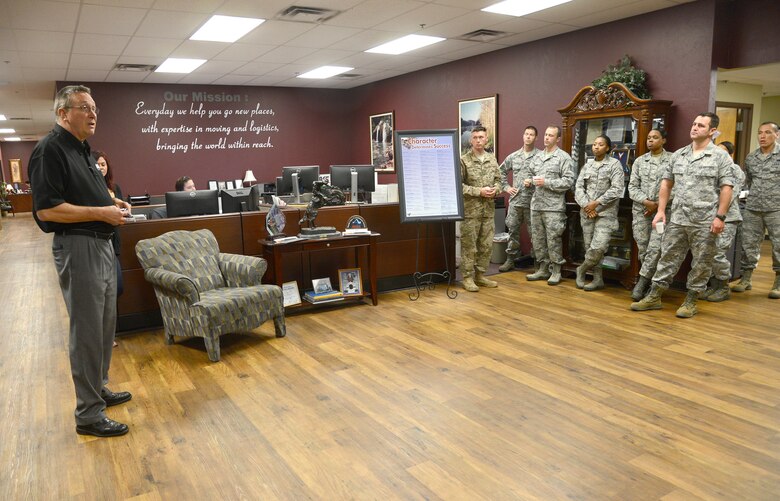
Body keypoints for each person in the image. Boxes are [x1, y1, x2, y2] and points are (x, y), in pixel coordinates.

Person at [28, 85, 133, 437]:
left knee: (104, 326)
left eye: (95, 108)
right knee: (87, 330)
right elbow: (46, 208)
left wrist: (111, 204)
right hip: (78, 247)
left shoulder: (84, 150)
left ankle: (99, 387)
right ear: (62, 113)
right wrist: (100, 211)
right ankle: (88, 414)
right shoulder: (49, 150)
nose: (93, 114)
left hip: (101, 244)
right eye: (84, 108)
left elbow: (89, 195)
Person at [631, 112, 735, 318]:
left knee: (702, 262)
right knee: (667, 258)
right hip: (678, 218)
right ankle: (654, 296)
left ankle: (691, 300)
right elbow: (666, 183)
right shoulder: (679, 155)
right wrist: (661, 211)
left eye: (701, 126)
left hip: (704, 220)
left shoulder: (720, 156)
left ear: (712, 131)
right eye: (694, 123)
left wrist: (720, 217)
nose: (695, 128)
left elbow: (727, 187)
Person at [731, 121, 780, 299]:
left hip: (777, 208)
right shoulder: (751, 157)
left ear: (777, 135)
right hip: (753, 207)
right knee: (748, 243)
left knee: (778, 246)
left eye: (767, 132)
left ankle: (778, 282)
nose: (762, 136)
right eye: (760, 132)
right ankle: (746, 278)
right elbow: (749, 181)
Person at [574, 135, 625, 291]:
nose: (596, 147)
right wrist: (586, 206)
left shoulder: (615, 164)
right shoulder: (587, 166)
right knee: (589, 247)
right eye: (594, 144)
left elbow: (617, 189)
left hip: (606, 214)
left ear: (608, 148)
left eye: (600, 144)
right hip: (587, 213)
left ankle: (581, 269)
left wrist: (596, 203)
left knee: (598, 247)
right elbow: (578, 188)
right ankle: (597, 279)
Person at [525, 125, 575, 285]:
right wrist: (529, 181)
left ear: (558, 139)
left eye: (551, 135)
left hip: (553, 207)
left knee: (553, 239)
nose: (547, 138)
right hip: (537, 204)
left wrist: (547, 182)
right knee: (538, 239)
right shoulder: (537, 157)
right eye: (546, 134)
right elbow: (530, 174)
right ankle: (542, 268)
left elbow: (568, 181)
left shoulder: (563, 157)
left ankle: (556, 270)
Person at [628, 128, 672, 300]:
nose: (651, 141)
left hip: (662, 213)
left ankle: (643, 283)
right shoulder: (640, 161)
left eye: (655, 138)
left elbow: (676, 186)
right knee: (644, 248)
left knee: (656, 248)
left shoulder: (672, 160)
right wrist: (646, 202)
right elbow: (632, 187)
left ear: (663, 140)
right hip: (641, 212)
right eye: (649, 138)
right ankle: (650, 282)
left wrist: (658, 205)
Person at [699, 141, 744, 302]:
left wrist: (718, 214)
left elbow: (730, 194)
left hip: (728, 218)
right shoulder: (713, 167)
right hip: (709, 218)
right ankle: (714, 286)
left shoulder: (734, 170)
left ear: (730, 154)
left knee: (718, 253)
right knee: (708, 253)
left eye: (723, 151)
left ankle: (723, 287)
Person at [460, 126, 502, 292]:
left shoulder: (492, 159)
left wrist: (495, 190)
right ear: (471, 140)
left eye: (481, 137)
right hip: (471, 211)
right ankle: (467, 277)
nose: (478, 140)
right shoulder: (464, 160)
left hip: (488, 211)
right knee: (469, 245)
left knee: (485, 245)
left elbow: (499, 180)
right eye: (475, 137)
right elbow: (459, 186)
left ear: (486, 140)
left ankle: (480, 275)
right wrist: (479, 191)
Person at [498, 125, 541, 272]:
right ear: (523, 136)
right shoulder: (514, 156)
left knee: (535, 233)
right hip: (516, 201)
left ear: (536, 138)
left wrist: (534, 180)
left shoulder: (541, 157)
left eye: (531, 135)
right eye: (526, 134)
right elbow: (500, 172)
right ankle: (510, 260)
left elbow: (547, 176)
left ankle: (537, 262)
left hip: (533, 202)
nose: (528, 137)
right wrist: (507, 188)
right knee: (512, 231)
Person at [95, 150, 124, 347]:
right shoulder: (92, 189)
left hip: (114, 243)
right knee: (101, 291)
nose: (101, 167)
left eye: (104, 164)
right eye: (97, 164)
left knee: (117, 287)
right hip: (97, 244)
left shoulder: (116, 188)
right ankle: (105, 336)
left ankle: (108, 332)